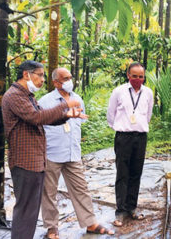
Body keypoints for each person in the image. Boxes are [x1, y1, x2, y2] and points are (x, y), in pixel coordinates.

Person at [2, 61, 84, 239]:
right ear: (26, 74)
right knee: (25, 209)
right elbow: (36, 117)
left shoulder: (27, 96)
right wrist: (65, 105)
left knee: (31, 210)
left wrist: (66, 116)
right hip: (25, 161)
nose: (42, 79)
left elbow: (43, 118)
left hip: (36, 160)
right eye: (39, 75)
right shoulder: (15, 95)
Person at [39, 68, 114, 238]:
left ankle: (90, 223)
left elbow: (77, 124)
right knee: (49, 191)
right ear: (56, 82)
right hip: (52, 152)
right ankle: (52, 227)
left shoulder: (77, 99)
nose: (69, 81)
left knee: (81, 188)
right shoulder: (45, 102)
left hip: (73, 152)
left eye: (70, 77)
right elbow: (40, 127)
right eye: (64, 78)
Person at [107, 62, 154, 227]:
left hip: (140, 137)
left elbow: (148, 114)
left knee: (136, 173)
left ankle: (132, 207)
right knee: (122, 174)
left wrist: (137, 127)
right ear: (128, 75)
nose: (138, 79)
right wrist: (122, 128)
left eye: (141, 77)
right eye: (134, 76)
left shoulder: (148, 93)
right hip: (123, 137)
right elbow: (110, 115)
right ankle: (120, 211)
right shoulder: (119, 92)